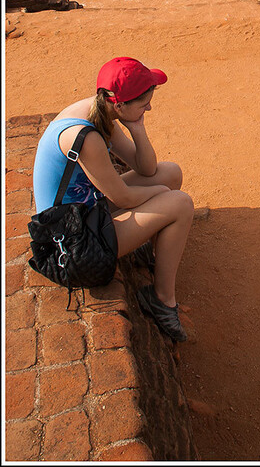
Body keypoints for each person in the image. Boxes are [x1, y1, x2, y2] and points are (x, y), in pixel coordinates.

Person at [32, 57, 195, 341]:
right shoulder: (86, 137)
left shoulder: (100, 110)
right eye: (144, 103)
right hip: (74, 241)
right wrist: (162, 197)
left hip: (88, 210)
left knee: (170, 173)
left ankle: (153, 247)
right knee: (179, 203)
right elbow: (125, 197)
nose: (149, 107)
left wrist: (138, 128)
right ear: (119, 104)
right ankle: (161, 301)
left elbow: (146, 168)